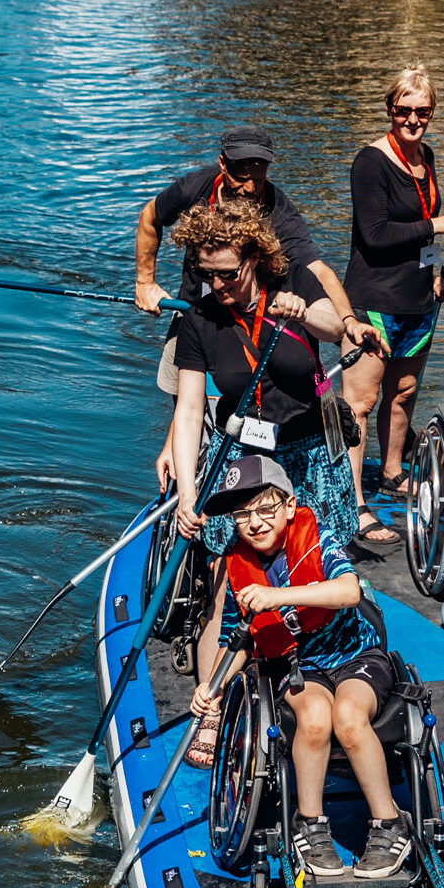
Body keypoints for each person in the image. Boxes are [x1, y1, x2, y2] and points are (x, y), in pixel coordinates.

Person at [153, 200, 351, 768]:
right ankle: (212, 704)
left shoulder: (293, 282)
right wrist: (189, 496)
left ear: (256, 261)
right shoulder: (198, 319)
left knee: (317, 565)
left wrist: (303, 314)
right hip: (242, 454)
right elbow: (191, 410)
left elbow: (338, 329)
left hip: (309, 450)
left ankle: (321, 686)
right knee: (226, 579)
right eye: (204, 273)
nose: (216, 285)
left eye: (227, 273)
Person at [190, 456, 415, 880]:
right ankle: (309, 824)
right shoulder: (241, 566)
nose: (254, 523)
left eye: (265, 510)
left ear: (290, 507)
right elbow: (237, 643)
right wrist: (212, 689)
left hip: (356, 657)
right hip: (301, 667)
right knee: (312, 718)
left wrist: (279, 597)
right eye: (242, 515)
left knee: (348, 717)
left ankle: (389, 822)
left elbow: (349, 592)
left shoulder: (320, 539)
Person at [132, 125, 381, 403]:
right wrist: (145, 282)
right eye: (242, 177)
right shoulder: (195, 187)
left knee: (238, 405)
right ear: (222, 164)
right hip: (193, 313)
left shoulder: (278, 208)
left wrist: (348, 321)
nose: (250, 188)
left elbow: (316, 269)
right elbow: (149, 217)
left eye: (259, 179)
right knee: (185, 410)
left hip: (245, 320)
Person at [340, 63, 444, 546]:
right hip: (374, 300)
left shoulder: (427, 157)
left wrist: (437, 275)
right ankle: (353, 503)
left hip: (419, 301)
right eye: (404, 111)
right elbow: (374, 238)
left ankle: (393, 472)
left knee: (403, 393)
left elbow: (424, 220)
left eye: (422, 112)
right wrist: (439, 227)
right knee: (360, 402)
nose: (413, 119)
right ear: (390, 110)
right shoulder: (370, 163)